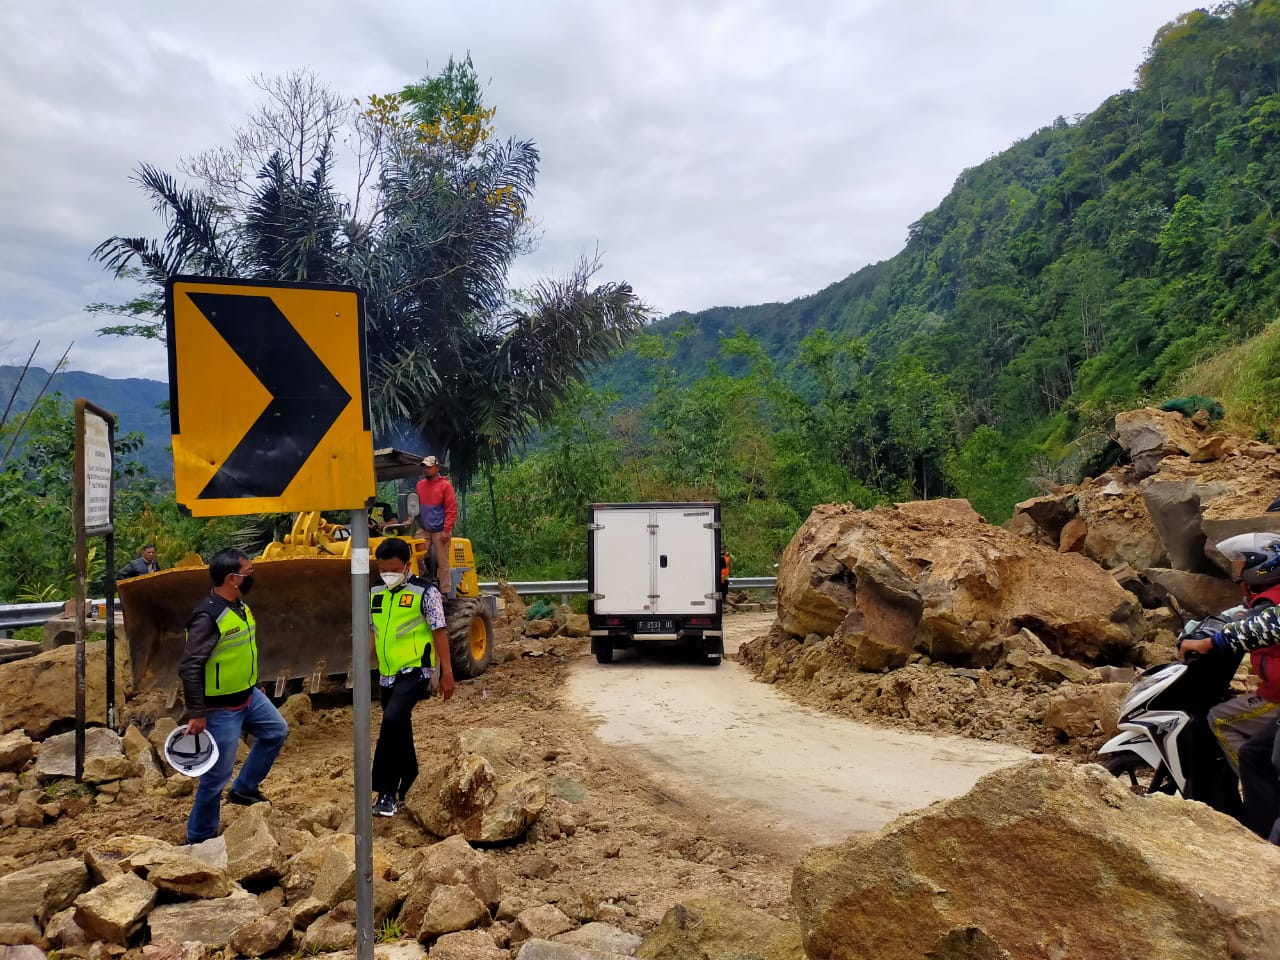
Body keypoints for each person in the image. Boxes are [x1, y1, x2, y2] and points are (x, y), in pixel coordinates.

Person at [178, 548, 288, 843]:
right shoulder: (208, 617)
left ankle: (244, 789)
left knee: (276, 730)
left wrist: (256, 681)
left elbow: (244, 650)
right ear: (232, 579)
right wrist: (197, 712)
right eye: (248, 573)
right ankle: (200, 837)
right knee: (216, 775)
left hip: (248, 695)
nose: (252, 577)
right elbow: (190, 666)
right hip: (220, 708)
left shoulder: (240, 606)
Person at [1179, 532, 1280, 840]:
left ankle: (1257, 797)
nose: (1236, 572)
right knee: (1255, 752)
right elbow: (1247, 617)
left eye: (1241, 564)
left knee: (1219, 720)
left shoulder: (1273, 602)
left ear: (1259, 567)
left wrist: (1212, 641)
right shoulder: (1267, 596)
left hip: (1276, 695)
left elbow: (1266, 625)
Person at [370, 537, 454, 817]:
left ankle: (385, 791)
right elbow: (375, 633)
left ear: (407, 565)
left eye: (393, 569)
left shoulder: (425, 592)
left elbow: (439, 631)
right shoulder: (375, 594)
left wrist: (447, 674)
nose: (388, 574)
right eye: (383, 569)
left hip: (416, 670)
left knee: (391, 721)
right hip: (388, 675)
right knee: (399, 727)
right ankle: (411, 783)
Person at [415, 456, 457, 596]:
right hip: (425, 529)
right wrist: (411, 518)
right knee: (416, 554)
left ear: (437, 468)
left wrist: (447, 530)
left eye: (428, 467)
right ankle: (424, 576)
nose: (425, 470)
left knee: (443, 562)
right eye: (424, 467)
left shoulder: (445, 486)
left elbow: (451, 509)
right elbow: (416, 505)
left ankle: (444, 592)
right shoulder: (420, 485)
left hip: (440, 530)